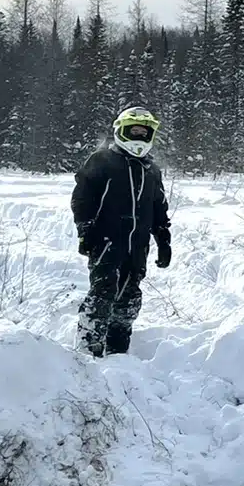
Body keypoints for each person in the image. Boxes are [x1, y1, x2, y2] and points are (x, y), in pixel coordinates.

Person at [70, 107, 172, 356]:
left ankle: (118, 354)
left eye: (143, 132)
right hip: (107, 241)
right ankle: (87, 352)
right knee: (102, 294)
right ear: (121, 131)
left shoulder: (152, 171)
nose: (138, 136)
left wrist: (163, 240)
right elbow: (82, 198)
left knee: (129, 299)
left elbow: (159, 207)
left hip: (138, 246)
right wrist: (85, 229)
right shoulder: (102, 161)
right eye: (133, 131)